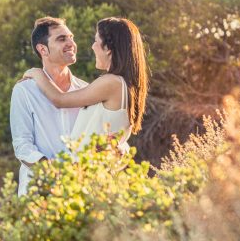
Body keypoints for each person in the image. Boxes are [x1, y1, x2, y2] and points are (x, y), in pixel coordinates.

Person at [23, 17, 149, 155]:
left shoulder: (111, 83)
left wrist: (36, 73)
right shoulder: (121, 84)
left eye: (96, 41)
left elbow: (59, 99)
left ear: (107, 48)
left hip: (87, 172)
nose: (92, 46)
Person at [10, 17, 88, 196]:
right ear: (42, 49)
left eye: (71, 37)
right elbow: (22, 146)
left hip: (79, 193)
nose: (71, 43)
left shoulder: (86, 90)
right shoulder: (24, 91)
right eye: (62, 39)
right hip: (38, 194)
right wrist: (52, 172)